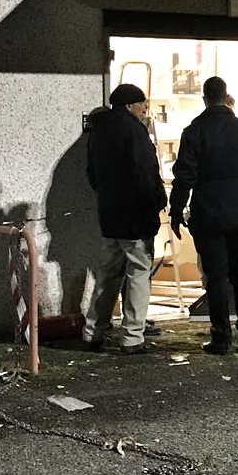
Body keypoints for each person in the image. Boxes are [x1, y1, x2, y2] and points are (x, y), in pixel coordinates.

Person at [169, 77, 238, 355]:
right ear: (227, 98)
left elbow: (184, 176)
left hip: (210, 213)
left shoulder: (194, 132)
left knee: (216, 276)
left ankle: (221, 337)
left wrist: (176, 211)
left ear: (204, 99)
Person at [83, 83, 167, 354]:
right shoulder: (134, 131)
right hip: (135, 218)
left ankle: (92, 332)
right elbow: (145, 172)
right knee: (139, 273)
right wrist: (158, 200)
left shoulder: (98, 132)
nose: (145, 109)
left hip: (110, 216)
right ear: (130, 105)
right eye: (142, 104)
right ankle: (132, 337)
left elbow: (92, 174)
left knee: (108, 275)